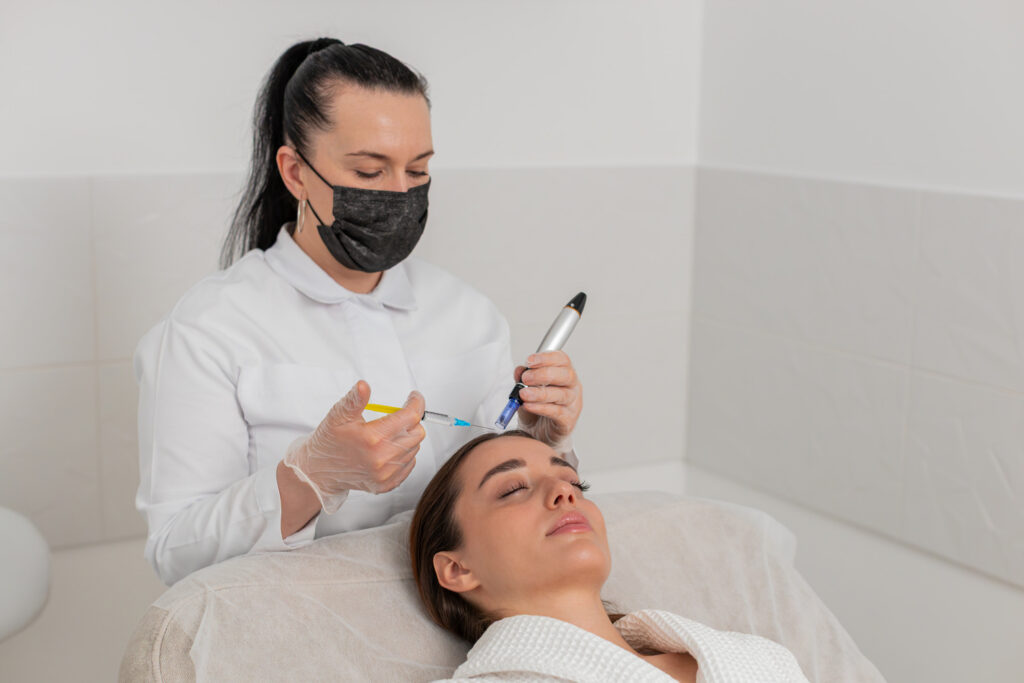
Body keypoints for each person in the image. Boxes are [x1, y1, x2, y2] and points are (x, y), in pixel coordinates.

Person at [135, 38, 583, 586]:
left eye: (417, 172)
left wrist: (539, 437)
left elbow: (502, 499)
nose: (398, 194)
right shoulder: (208, 330)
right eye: (370, 173)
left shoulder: (469, 313)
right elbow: (176, 554)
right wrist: (311, 477)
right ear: (296, 172)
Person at [409, 432, 810, 683]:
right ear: (458, 569)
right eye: (512, 489)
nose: (565, 493)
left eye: (573, 481)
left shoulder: (755, 660)